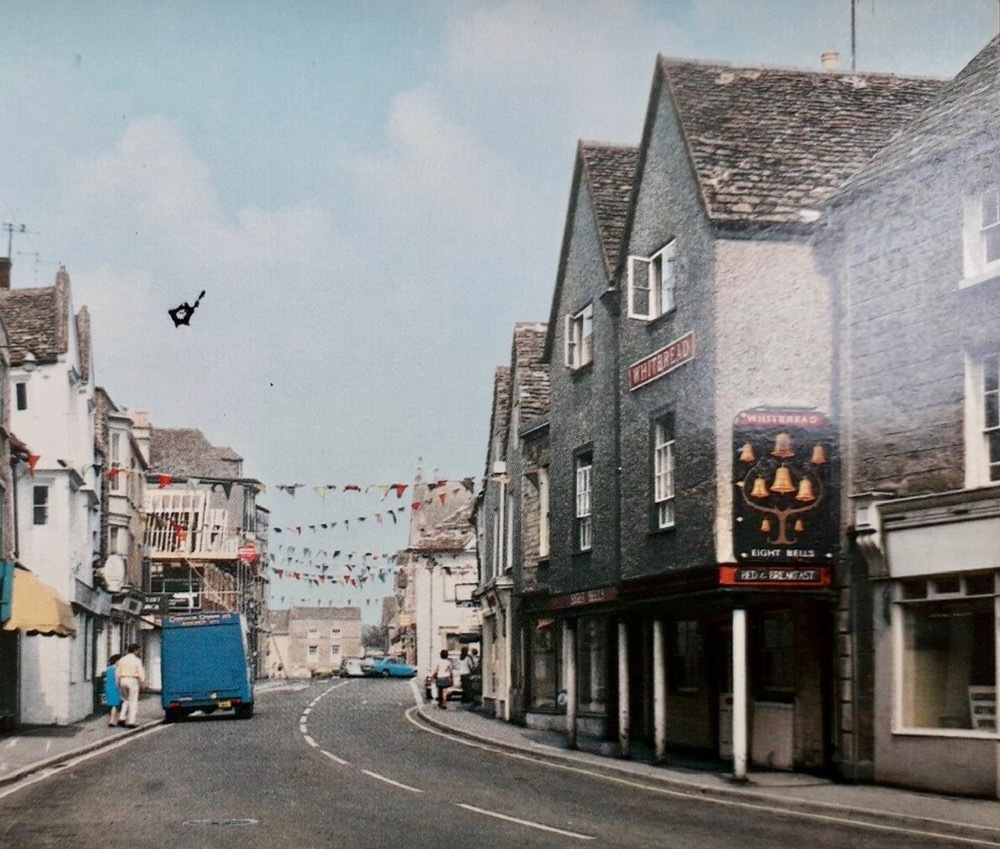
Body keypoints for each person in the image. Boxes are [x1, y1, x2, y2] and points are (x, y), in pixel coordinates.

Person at [116, 643, 145, 728]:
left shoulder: (122, 660)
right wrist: (143, 682)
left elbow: (117, 672)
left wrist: (118, 681)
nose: (138, 652)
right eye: (138, 650)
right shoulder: (137, 660)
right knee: (133, 701)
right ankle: (131, 722)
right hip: (132, 680)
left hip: (122, 679)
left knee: (125, 700)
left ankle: (121, 718)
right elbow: (141, 672)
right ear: (135, 651)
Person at [104, 654, 122, 727]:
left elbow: (106, 678)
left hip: (108, 687)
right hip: (115, 687)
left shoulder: (108, 669)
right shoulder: (117, 669)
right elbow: (118, 679)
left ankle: (112, 719)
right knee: (114, 705)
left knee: (111, 705)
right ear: (116, 661)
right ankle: (112, 720)